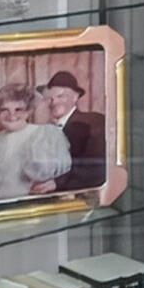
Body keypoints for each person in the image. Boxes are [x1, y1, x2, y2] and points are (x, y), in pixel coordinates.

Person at [0, 82, 70, 204]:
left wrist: (54, 183)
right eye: (5, 109)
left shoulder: (44, 135)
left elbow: (65, 175)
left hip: (32, 210)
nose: (12, 115)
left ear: (28, 112)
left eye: (18, 109)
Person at [41, 68, 105, 196]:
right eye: (49, 98)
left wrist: (57, 183)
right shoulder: (45, 131)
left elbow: (95, 167)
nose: (54, 102)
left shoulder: (92, 122)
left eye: (60, 96)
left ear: (75, 97)